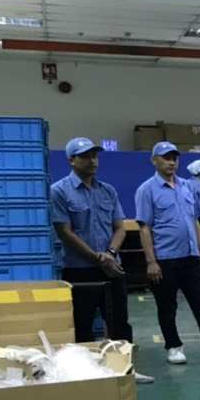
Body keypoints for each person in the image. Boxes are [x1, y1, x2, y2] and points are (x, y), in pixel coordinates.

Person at [135, 141, 200, 365]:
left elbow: (194, 221)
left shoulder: (187, 187)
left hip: (191, 257)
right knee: (167, 306)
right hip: (165, 259)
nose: (171, 162)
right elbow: (144, 227)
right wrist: (151, 262)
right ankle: (174, 347)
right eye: (166, 158)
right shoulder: (147, 190)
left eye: (174, 158)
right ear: (154, 160)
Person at [49, 136, 131, 343]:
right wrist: (98, 258)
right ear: (71, 160)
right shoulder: (59, 191)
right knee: (82, 325)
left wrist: (110, 253)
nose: (92, 161)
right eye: (85, 157)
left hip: (112, 268)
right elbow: (65, 232)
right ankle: (87, 364)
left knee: (119, 323)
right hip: (79, 270)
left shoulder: (108, 190)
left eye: (94, 156)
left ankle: (124, 362)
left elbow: (120, 228)